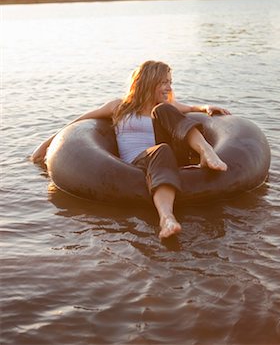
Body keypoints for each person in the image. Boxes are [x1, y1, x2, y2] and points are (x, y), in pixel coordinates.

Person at [31, 60, 230, 240]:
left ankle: (206, 151)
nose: (169, 87)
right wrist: (45, 145)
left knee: (164, 113)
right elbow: (76, 123)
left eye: (170, 82)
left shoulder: (164, 107)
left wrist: (205, 107)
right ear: (148, 82)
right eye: (164, 82)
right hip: (138, 161)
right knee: (161, 149)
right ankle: (167, 219)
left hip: (167, 156)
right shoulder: (119, 107)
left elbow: (189, 109)